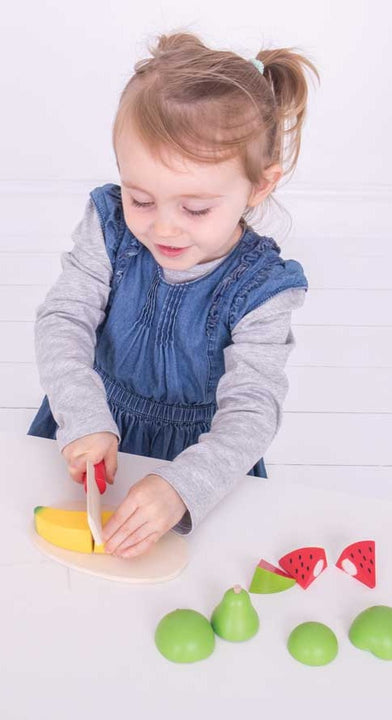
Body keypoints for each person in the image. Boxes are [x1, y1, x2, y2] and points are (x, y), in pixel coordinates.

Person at [28, 32, 319, 559]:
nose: (164, 228)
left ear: (259, 186)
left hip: (200, 465)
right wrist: (81, 412)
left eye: (196, 209)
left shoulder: (263, 289)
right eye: (141, 198)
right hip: (92, 431)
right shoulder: (109, 225)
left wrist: (182, 488)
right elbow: (63, 319)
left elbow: (252, 412)